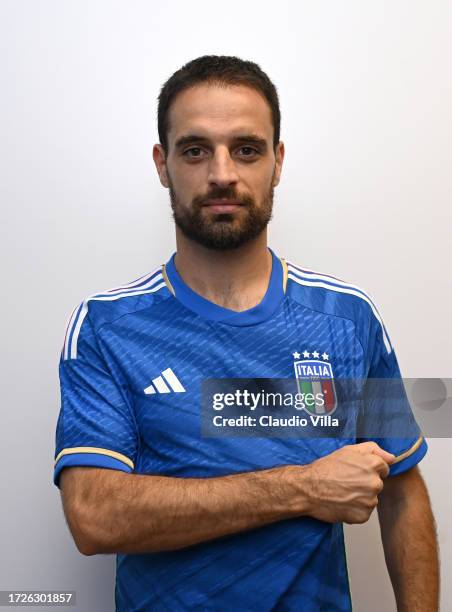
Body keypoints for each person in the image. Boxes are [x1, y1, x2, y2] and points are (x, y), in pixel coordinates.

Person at [53, 55, 439, 611]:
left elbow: (402, 490)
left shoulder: (346, 320)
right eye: (195, 150)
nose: (222, 174)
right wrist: (302, 487)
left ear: (277, 162)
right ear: (162, 164)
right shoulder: (107, 328)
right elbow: (94, 516)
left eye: (247, 149)